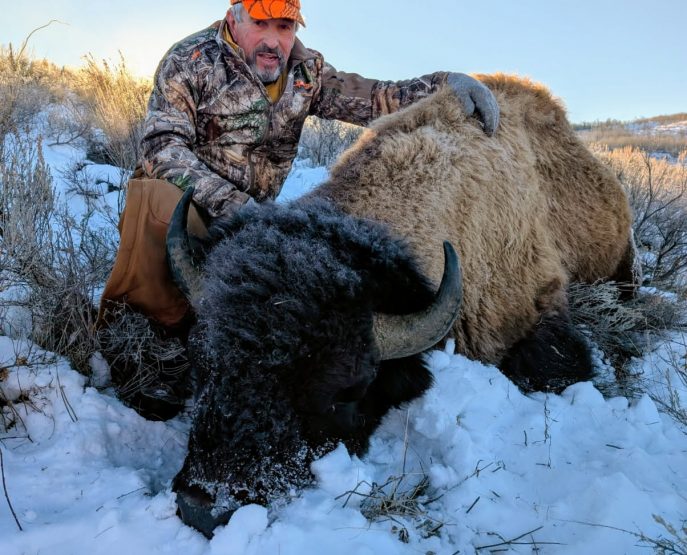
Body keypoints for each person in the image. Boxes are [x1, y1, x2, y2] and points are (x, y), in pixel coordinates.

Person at [97, 0, 500, 419]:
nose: (274, 39)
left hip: (253, 217)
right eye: (261, 23)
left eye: (285, 26)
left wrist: (444, 86)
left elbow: (375, 98)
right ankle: (145, 346)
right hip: (192, 201)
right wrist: (235, 206)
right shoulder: (191, 59)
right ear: (234, 17)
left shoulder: (305, 72)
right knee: (161, 205)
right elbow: (161, 146)